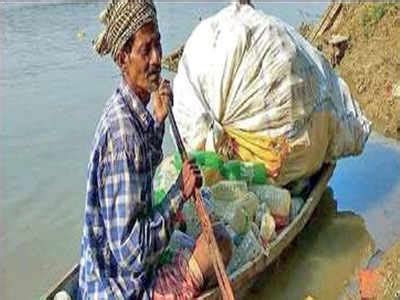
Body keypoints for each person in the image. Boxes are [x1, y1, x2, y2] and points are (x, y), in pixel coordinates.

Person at [78, 1, 232, 299]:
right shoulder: (122, 135)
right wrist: (178, 195)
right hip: (125, 290)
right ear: (123, 58)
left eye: (158, 45)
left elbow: (140, 172)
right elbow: (133, 254)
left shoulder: (126, 109)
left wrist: (158, 122)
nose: (157, 59)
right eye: (145, 50)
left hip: (114, 277)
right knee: (220, 242)